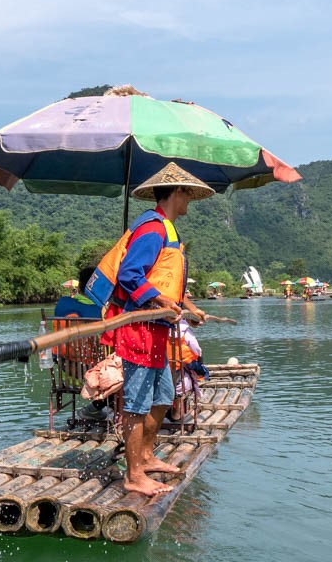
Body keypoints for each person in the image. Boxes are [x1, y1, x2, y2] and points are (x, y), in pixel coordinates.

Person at [89, 162, 212, 498]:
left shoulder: (169, 231)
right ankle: (132, 475)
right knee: (138, 402)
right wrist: (159, 301)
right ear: (177, 192)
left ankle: (144, 456)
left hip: (159, 328)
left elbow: (164, 279)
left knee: (161, 397)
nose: (190, 202)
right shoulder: (153, 229)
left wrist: (187, 306)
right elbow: (130, 275)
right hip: (140, 327)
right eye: (188, 194)